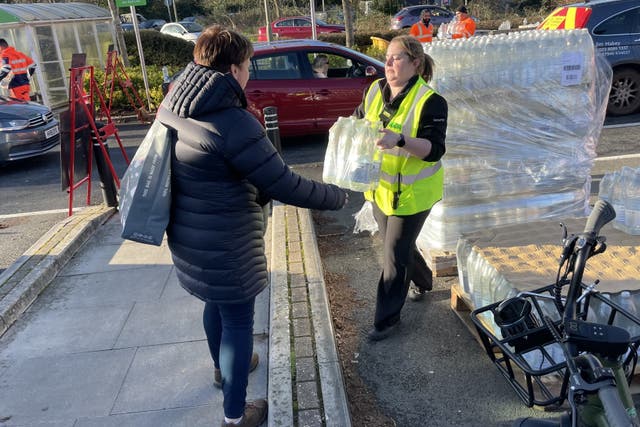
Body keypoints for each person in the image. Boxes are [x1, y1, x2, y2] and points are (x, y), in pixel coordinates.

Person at [157, 25, 347, 427]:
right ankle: (235, 413)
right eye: (247, 66)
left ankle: (221, 370)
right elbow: (282, 182)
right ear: (231, 70)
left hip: (191, 233)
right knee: (239, 321)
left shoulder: (177, 101)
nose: (248, 73)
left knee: (216, 304)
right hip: (226, 240)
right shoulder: (233, 121)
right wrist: (336, 196)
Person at [353, 35, 447, 342]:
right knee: (400, 247)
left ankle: (386, 320)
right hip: (381, 190)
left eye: (397, 58)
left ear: (416, 64)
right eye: (388, 57)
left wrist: (401, 141)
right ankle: (424, 281)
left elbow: (434, 150)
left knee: (393, 254)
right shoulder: (374, 90)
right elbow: (359, 120)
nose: (389, 63)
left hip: (412, 195)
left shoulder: (430, 101)